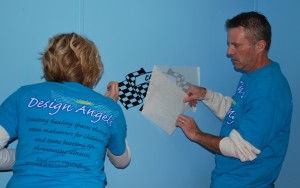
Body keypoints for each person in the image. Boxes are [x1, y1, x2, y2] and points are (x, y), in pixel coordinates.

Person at [176, 11, 293, 188]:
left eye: (236, 45)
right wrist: (205, 95)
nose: (229, 52)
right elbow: (237, 113)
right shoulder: (252, 74)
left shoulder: (269, 91)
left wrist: (197, 135)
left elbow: (242, 148)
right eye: (229, 44)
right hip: (228, 179)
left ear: (260, 46)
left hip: (247, 183)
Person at [0, 33, 131, 188]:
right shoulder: (108, 108)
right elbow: (122, 161)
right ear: (94, 68)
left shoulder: (24, 95)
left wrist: (27, 155)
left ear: (49, 62)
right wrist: (111, 108)